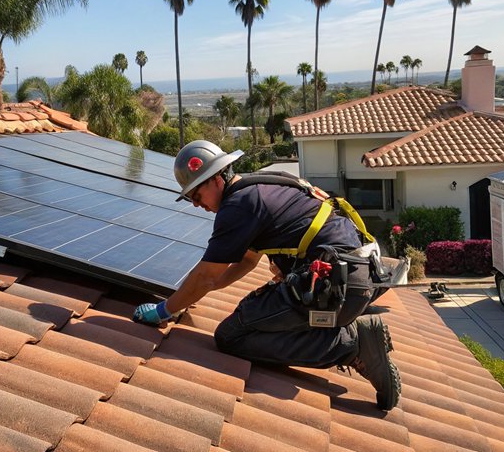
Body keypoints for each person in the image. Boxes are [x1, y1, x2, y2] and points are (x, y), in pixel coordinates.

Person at [133, 140, 401, 411]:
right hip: (355, 275)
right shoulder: (264, 184)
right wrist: (196, 292)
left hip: (335, 285)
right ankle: (350, 334)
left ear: (216, 179)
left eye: (196, 195)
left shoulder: (238, 206)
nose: (195, 204)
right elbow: (247, 261)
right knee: (251, 318)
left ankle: (352, 344)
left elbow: (206, 276)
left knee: (231, 336)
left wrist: (165, 309)